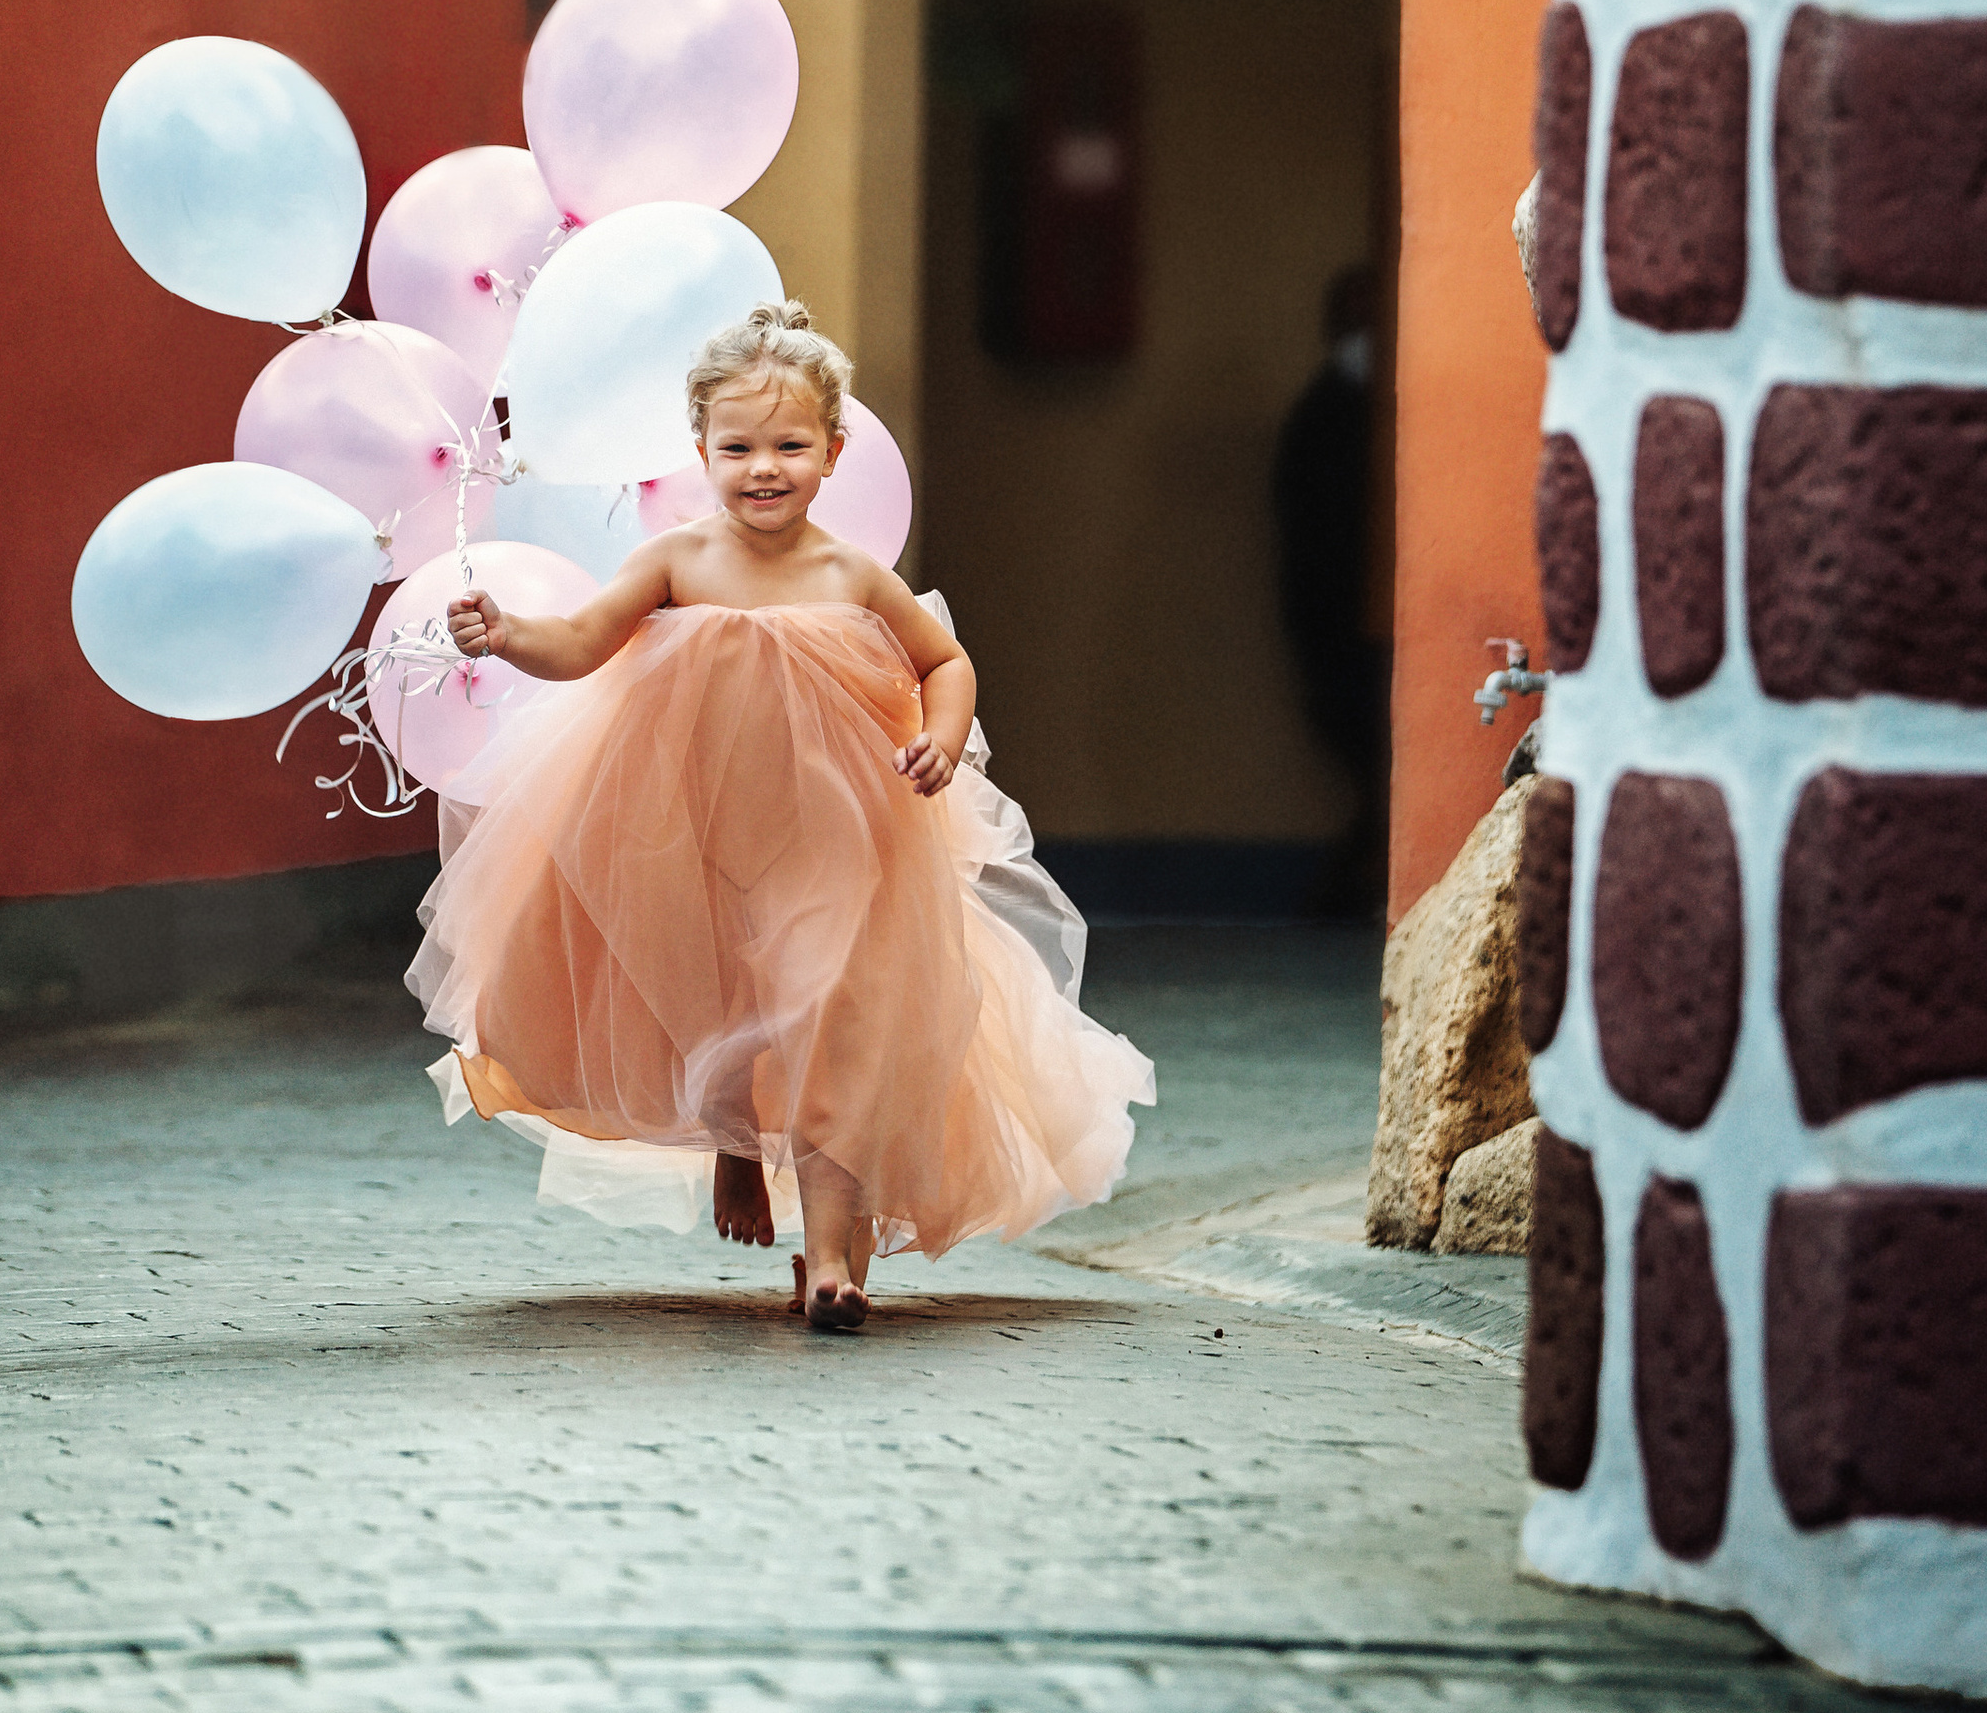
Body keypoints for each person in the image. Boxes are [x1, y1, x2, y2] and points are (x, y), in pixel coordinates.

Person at [412, 302, 1153, 1334]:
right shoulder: (674, 561)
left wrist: (941, 734)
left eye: (791, 446)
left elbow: (945, 661)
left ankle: (836, 1260)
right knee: (717, 999)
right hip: (692, 832)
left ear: (834, 451)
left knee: (828, 1018)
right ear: (701, 448)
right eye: (738, 447)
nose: (765, 468)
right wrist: (506, 633)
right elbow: (582, 641)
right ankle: (736, 1142)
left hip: (834, 839)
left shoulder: (848, 575)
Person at [1270, 263, 1389, 918]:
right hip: (1335, 619)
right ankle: (1344, 892)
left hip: (1349, 619)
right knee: (1372, 754)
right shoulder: (1324, 417)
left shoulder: (1364, 411)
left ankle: (1346, 890)